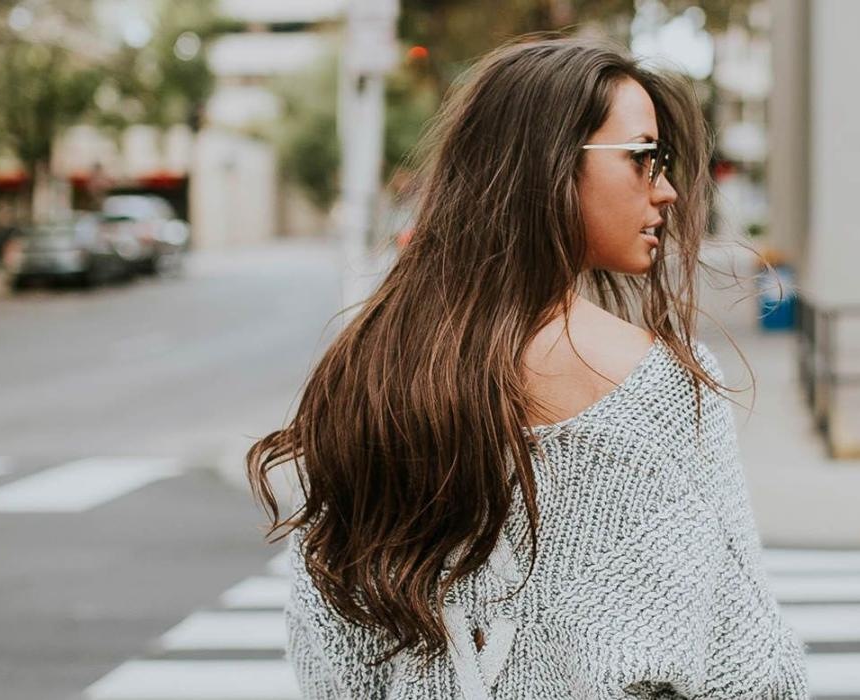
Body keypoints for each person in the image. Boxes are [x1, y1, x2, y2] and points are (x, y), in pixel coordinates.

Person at [246, 36, 808, 699]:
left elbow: (328, 653)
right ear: (552, 163)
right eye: (644, 158)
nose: (669, 191)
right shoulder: (658, 388)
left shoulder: (372, 374)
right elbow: (747, 668)